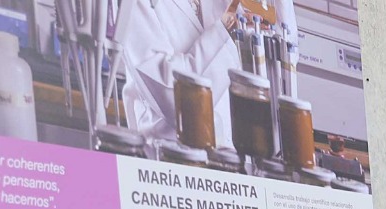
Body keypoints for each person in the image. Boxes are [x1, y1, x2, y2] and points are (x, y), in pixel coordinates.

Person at [120, 0, 297, 150]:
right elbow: (177, 100)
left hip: (231, 166)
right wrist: (222, 31)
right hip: (170, 168)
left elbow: (287, 56)